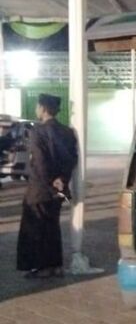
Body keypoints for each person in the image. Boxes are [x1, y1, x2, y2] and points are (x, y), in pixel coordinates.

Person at [17, 94, 78, 279]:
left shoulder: (38, 132)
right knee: (52, 226)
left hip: (40, 189)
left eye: (37, 106)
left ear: (43, 109)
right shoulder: (68, 132)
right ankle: (55, 265)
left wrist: (51, 183)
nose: (36, 109)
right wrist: (62, 180)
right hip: (59, 189)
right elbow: (72, 159)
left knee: (36, 227)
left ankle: (42, 266)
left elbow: (40, 162)